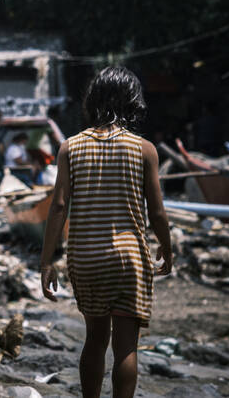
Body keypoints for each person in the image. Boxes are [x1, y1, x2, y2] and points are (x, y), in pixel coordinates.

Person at [41, 66, 172, 398]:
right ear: (133, 101)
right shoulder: (144, 150)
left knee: (94, 340)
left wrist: (46, 261)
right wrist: (167, 247)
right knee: (126, 347)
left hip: (86, 258)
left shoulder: (70, 147)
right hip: (129, 258)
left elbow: (58, 206)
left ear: (93, 100)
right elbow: (156, 211)